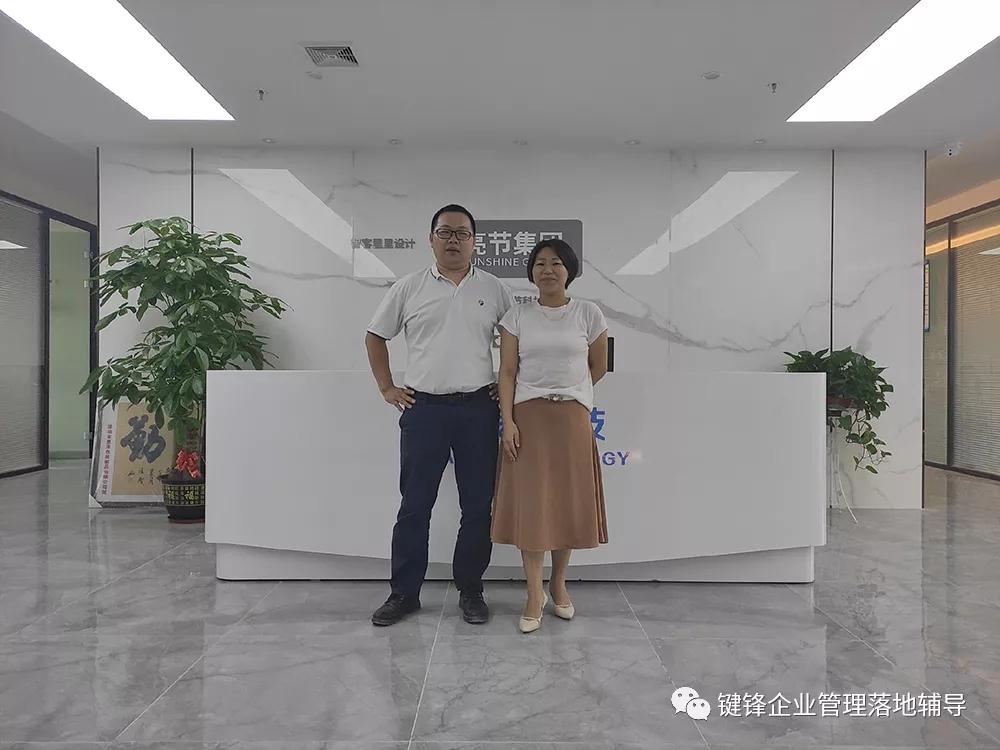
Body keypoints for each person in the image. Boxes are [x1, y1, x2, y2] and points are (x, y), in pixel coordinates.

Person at [366, 204, 513, 626]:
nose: (453, 240)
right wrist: (387, 388)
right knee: (415, 506)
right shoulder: (408, 287)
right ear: (430, 238)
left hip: (478, 410)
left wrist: (504, 386)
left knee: (477, 506)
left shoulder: (494, 289)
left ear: (474, 242)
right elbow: (375, 336)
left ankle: (471, 590)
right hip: (424, 409)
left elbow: (515, 343)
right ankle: (404, 593)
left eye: (462, 233)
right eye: (445, 232)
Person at [491, 238, 609, 633]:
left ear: (569, 270)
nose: (548, 270)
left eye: (556, 263)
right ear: (531, 272)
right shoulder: (517, 316)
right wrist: (508, 421)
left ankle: (558, 584)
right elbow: (507, 372)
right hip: (529, 418)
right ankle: (532, 592)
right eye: (540, 263)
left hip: (572, 419)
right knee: (532, 506)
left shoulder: (588, 313)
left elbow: (598, 366)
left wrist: (570, 393)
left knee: (566, 502)